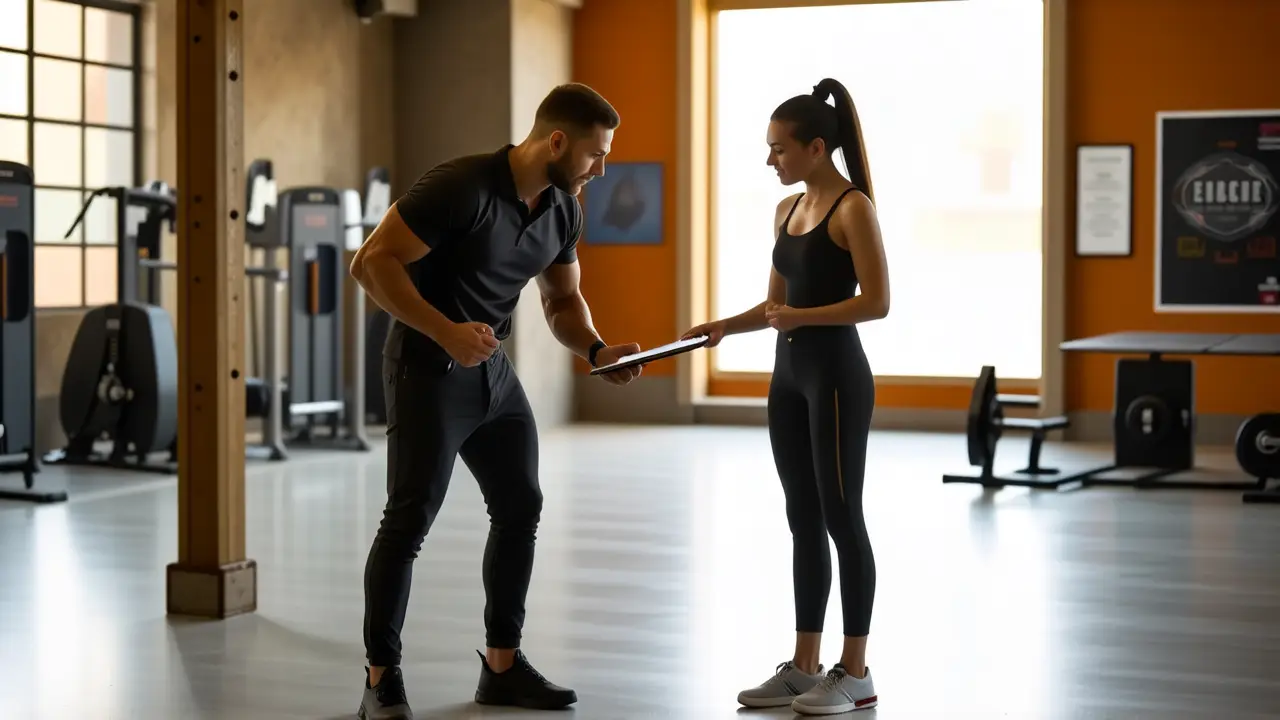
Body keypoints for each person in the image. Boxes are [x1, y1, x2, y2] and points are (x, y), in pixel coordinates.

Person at [349, 83, 644, 720]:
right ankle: (380, 681)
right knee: (408, 521)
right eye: (596, 154)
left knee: (520, 505)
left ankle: (502, 668)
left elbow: (561, 302)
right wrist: (445, 330)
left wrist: (594, 351)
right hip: (427, 367)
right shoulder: (462, 186)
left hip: (492, 372)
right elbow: (371, 263)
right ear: (556, 141)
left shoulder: (565, 209)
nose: (602, 168)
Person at [682, 77, 889, 716]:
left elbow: (877, 303)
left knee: (840, 517)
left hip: (834, 378)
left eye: (779, 148)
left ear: (816, 148)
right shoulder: (786, 212)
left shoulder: (852, 208)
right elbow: (777, 305)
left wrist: (804, 318)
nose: (770, 159)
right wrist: (724, 326)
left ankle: (854, 671)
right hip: (787, 378)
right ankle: (803, 666)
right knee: (801, 517)